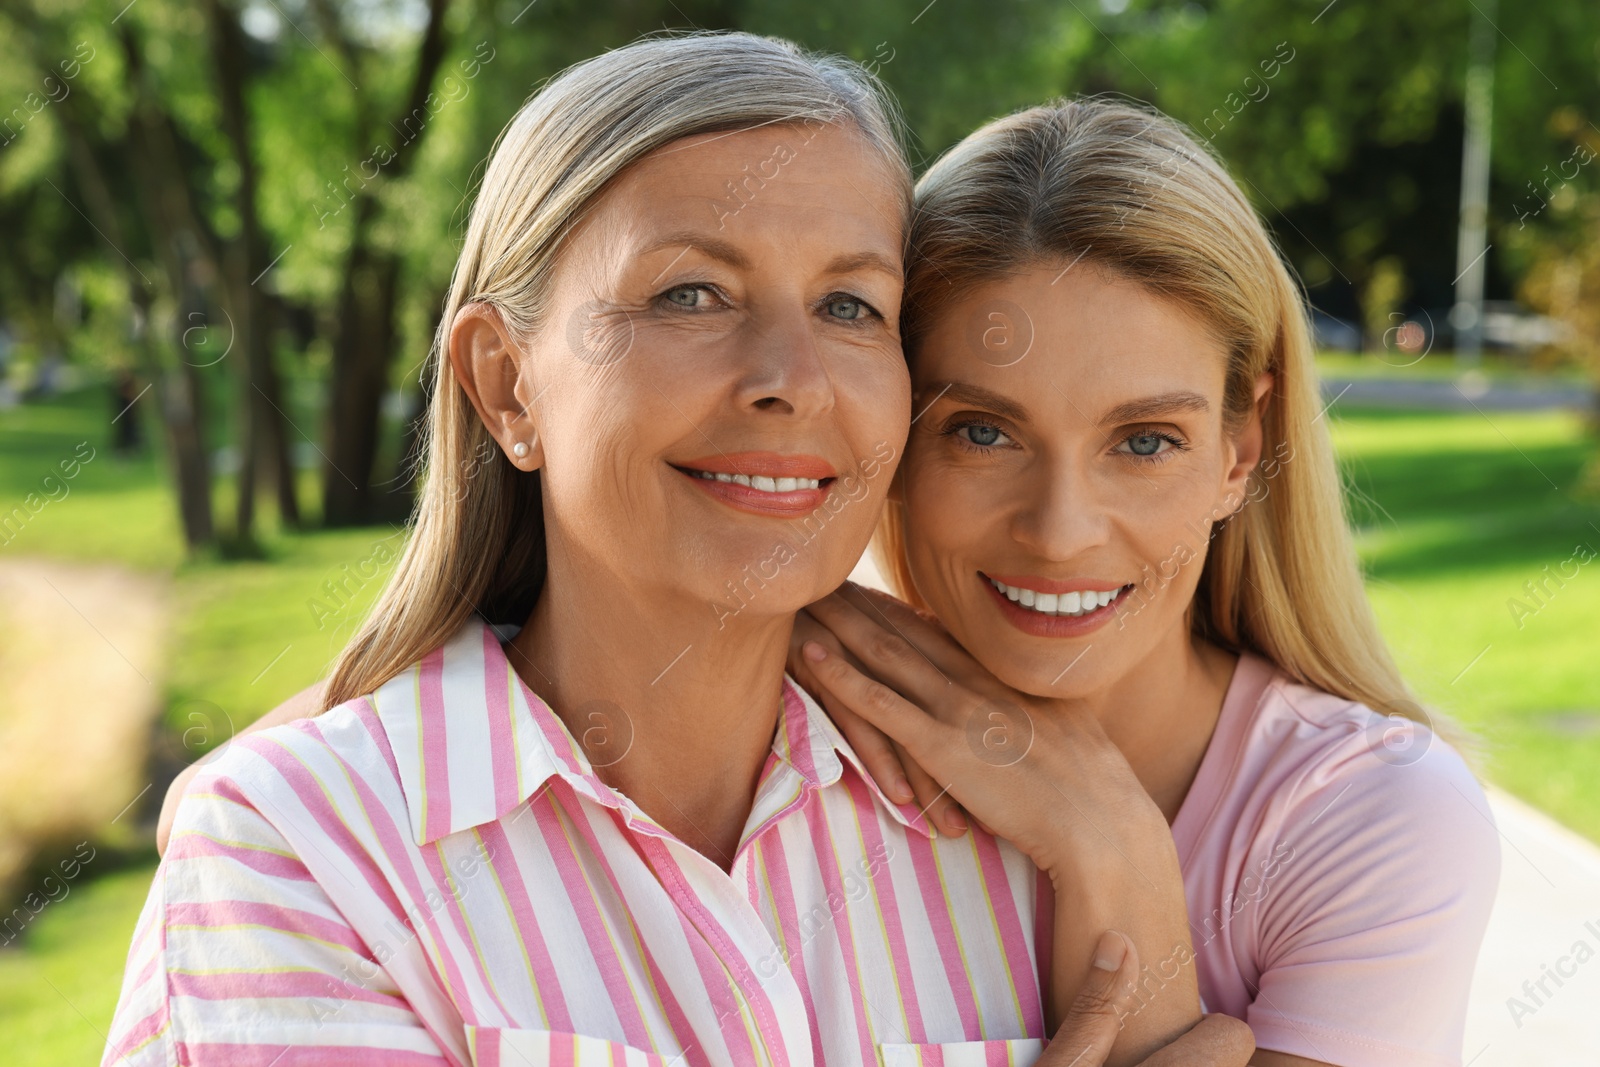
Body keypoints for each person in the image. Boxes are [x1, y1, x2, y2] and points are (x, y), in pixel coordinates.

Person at [112, 36, 1248, 1067]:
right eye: (690, 293)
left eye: (851, 306)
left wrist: (1122, 864)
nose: (791, 379)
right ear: (507, 384)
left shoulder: (1019, 821)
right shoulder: (303, 851)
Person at [784, 99, 1501, 1067]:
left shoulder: (1371, 820)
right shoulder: (797, 753)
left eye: (1144, 441)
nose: (1059, 529)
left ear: (1238, 450)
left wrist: (1113, 852)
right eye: (983, 431)